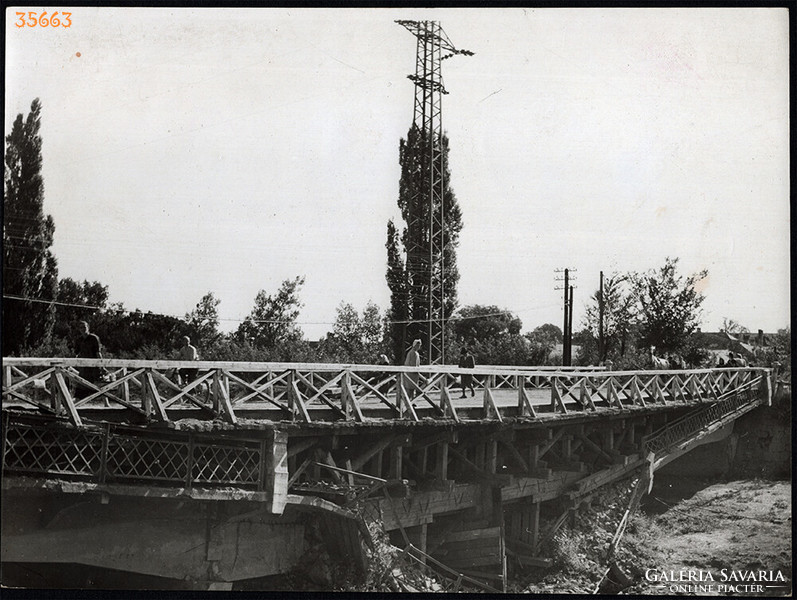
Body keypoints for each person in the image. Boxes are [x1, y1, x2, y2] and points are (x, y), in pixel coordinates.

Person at [74, 320, 102, 399]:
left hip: (94, 365)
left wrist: (102, 365)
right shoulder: (79, 340)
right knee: (81, 384)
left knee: (96, 384)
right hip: (83, 366)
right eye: (81, 327)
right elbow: (76, 353)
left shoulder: (94, 338)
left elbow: (98, 352)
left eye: (84, 327)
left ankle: (106, 402)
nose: (83, 329)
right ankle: (77, 402)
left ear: (88, 328)